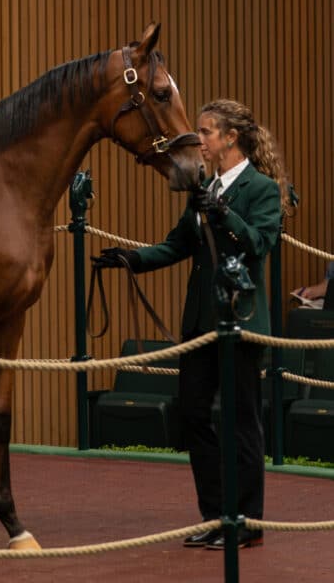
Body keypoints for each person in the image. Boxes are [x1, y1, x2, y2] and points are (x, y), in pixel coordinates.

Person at [94, 98, 284, 551]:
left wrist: (221, 213)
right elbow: (179, 245)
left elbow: (257, 245)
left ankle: (247, 521)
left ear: (230, 138)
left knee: (242, 423)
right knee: (194, 414)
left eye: (205, 132)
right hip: (200, 322)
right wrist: (131, 260)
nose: (198, 139)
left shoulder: (260, 190)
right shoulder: (206, 186)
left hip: (239, 322)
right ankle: (217, 515)